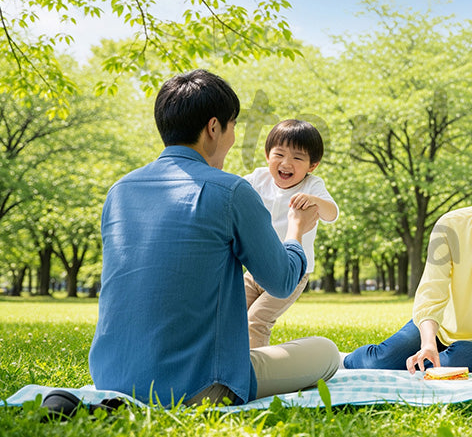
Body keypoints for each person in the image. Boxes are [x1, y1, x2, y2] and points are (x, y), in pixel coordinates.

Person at [89, 70, 339, 406]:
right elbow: (281, 281)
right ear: (213, 128)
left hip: (112, 379)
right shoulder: (232, 190)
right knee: (326, 352)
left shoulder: (119, 191)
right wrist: (296, 229)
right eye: (233, 126)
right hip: (199, 384)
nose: (234, 137)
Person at [344, 139, 472, 373]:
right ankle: (343, 359)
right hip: (440, 328)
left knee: (451, 366)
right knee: (376, 363)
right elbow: (433, 290)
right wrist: (429, 343)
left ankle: (435, 359)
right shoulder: (450, 225)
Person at [244, 119, 339, 348]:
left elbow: (332, 213)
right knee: (229, 316)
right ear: (267, 156)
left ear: (312, 165)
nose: (286, 163)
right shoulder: (258, 179)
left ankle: (257, 374)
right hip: (256, 270)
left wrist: (315, 201)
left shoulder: (311, 186)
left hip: (292, 272)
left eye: (297, 158)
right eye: (279, 154)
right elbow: (231, 193)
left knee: (256, 320)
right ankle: (230, 365)